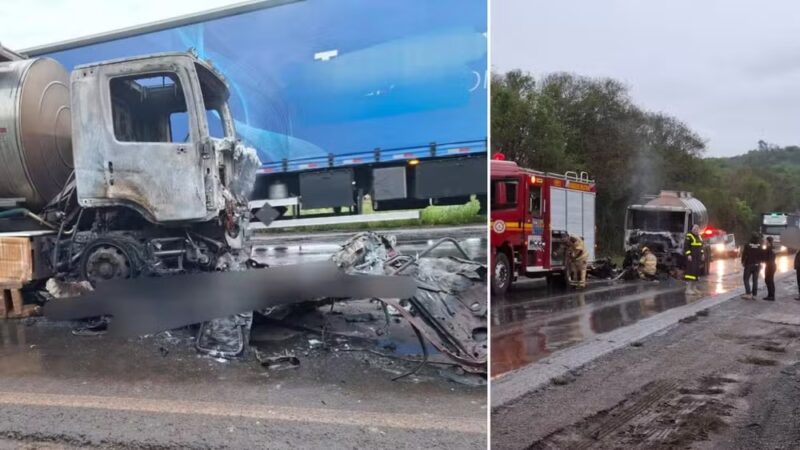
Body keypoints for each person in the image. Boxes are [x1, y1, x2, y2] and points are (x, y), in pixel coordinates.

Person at [740, 233, 762, 300]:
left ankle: (748, 293)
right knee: (755, 280)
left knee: (746, 279)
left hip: (749, 264)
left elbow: (744, 254)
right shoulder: (760, 246)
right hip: (757, 265)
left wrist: (743, 261)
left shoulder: (747, 245)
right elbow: (761, 256)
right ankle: (754, 295)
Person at [684, 224, 705, 294]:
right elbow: (686, 246)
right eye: (695, 229)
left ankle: (694, 288)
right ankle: (688, 289)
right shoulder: (689, 236)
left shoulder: (699, 236)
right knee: (690, 273)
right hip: (692, 257)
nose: (697, 230)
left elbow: (701, 246)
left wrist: (702, 254)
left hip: (697, 257)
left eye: (698, 229)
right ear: (692, 230)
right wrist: (688, 255)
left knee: (696, 273)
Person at [763, 236, 776, 301]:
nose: (765, 241)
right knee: (769, 280)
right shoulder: (772, 248)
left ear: (768, 241)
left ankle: (771, 296)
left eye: (766, 240)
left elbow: (768, 258)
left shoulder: (769, 248)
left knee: (768, 280)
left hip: (770, 266)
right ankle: (770, 295)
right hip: (772, 265)